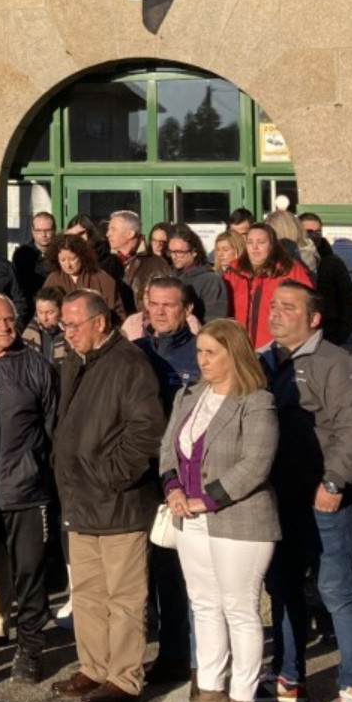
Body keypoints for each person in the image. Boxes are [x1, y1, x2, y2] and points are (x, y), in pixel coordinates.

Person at [260, 281, 352, 702]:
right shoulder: (262, 360)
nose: (276, 314)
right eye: (273, 306)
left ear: (313, 318)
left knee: (336, 590)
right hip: (277, 497)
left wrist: (333, 483)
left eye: (288, 308)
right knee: (283, 586)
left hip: (324, 498)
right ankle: (287, 676)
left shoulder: (336, 363)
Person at [160, 318, 280, 702]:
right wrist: (173, 487)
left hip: (240, 521)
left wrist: (204, 499)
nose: (202, 360)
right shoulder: (188, 395)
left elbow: (255, 464)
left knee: (240, 609)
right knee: (205, 605)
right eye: (200, 352)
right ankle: (210, 693)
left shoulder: (257, 401)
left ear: (234, 354)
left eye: (212, 352)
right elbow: (167, 448)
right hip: (190, 521)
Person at [47, 290, 165, 702]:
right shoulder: (76, 363)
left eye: (74, 324)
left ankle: (124, 678)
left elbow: (147, 431)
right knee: (89, 594)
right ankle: (93, 668)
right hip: (80, 499)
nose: (68, 333)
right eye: (64, 325)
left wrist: (112, 475)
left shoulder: (129, 363)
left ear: (100, 322)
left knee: (124, 597)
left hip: (117, 501)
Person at [0, 293, 57, 684]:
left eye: (10, 320)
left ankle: (30, 649)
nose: (5, 327)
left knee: (29, 574)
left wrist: (40, 471)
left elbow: (53, 428)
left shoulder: (38, 366)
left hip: (26, 489)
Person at [132, 277, 200, 681]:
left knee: (192, 571)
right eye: (152, 303)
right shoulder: (136, 352)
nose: (158, 311)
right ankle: (173, 652)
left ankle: (197, 658)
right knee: (161, 567)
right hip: (149, 472)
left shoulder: (202, 354)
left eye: (168, 305)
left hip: (191, 475)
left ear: (186, 310)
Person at [226, 223, 312, 349]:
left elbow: (308, 308)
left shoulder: (290, 271)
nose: (254, 247)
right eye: (250, 242)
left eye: (261, 242)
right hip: (240, 348)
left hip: (277, 348)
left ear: (271, 245)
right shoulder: (234, 271)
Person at [297, 214, 352, 345]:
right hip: (297, 330)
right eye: (309, 232)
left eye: (318, 231)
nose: (314, 236)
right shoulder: (291, 260)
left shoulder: (333, 263)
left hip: (327, 333)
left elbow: (348, 299)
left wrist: (341, 334)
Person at [105, 210, 172, 314]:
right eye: (108, 229)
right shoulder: (107, 263)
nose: (108, 234)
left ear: (130, 234)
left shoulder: (156, 264)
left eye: (113, 229)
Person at [40, 234, 120, 318]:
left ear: (82, 256)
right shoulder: (53, 279)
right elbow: (42, 309)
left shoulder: (102, 278)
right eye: (62, 260)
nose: (68, 265)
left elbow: (117, 312)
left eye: (72, 259)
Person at [167, 227, 229, 323]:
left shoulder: (211, 280)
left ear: (194, 252)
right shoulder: (170, 276)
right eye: (171, 251)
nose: (174, 256)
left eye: (179, 252)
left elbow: (215, 321)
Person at [13, 212, 58, 306]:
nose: (43, 235)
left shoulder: (61, 252)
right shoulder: (22, 254)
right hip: (30, 305)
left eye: (48, 230)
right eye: (38, 231)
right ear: (32, 231)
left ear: (54, 230)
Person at [23, 287, 69, 365]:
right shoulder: (29, 335)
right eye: (40, 312)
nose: (44, 318)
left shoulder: (70, 334)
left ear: (61, 310)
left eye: (50, 313)